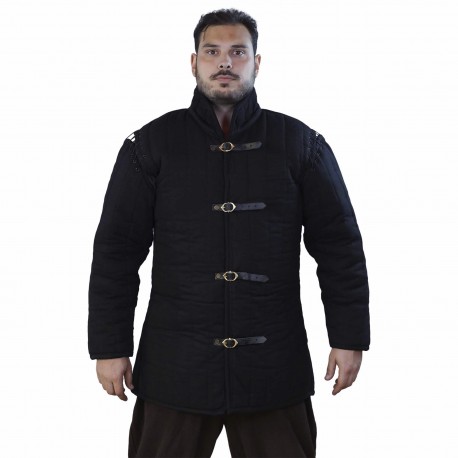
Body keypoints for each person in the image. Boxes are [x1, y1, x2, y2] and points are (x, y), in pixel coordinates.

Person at [88, 8, 370, 458]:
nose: (225, 62)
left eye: (238, 52)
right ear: (194, 62)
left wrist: (349, 336)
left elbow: (339, 247)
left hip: (273, 366)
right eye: (212, 51)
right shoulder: (152, 144)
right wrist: (109, 346)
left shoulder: (301, 144)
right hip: (175, 366)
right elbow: (116, 252)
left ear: (257, 63)